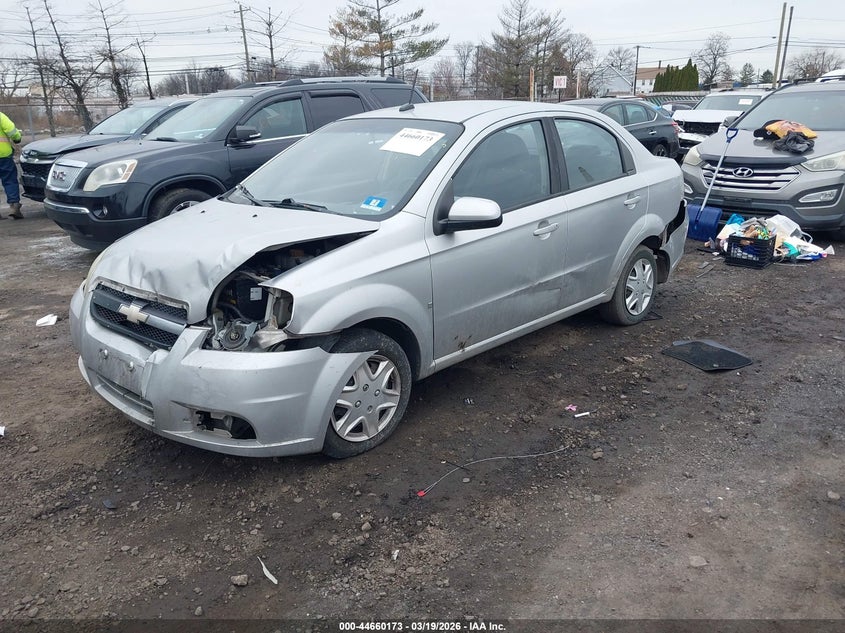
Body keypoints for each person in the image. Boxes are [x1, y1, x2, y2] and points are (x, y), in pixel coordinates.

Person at [0, 110, 23, 219]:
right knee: (9, 180)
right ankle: (14, 206)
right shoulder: (0, 116)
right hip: (3, 155)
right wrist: (17, 138)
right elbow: (11, 130)